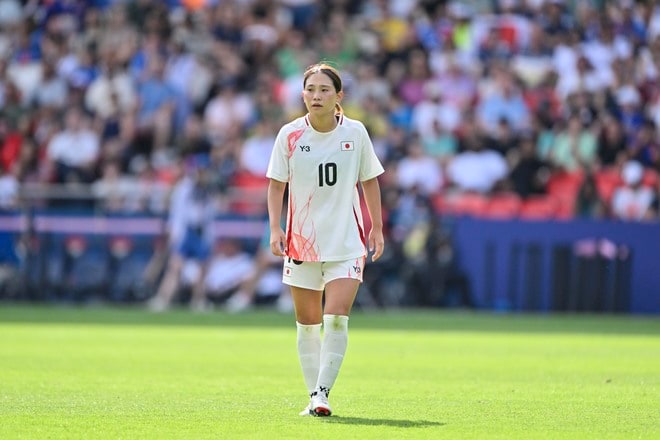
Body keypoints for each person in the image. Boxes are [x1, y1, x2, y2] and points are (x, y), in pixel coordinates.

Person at [265, 63, 384, 417]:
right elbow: (276, 185)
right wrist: (275, 228)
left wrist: (376, 227)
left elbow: (370, 180)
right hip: (303, 243)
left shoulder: (356, 133)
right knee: (307, 325)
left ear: (338, 97)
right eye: (311, 89)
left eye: (324, 90)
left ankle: (322, 394)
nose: (316, 96)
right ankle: (313, 394)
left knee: (336, 319)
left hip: (346, 240)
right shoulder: (289, 134)